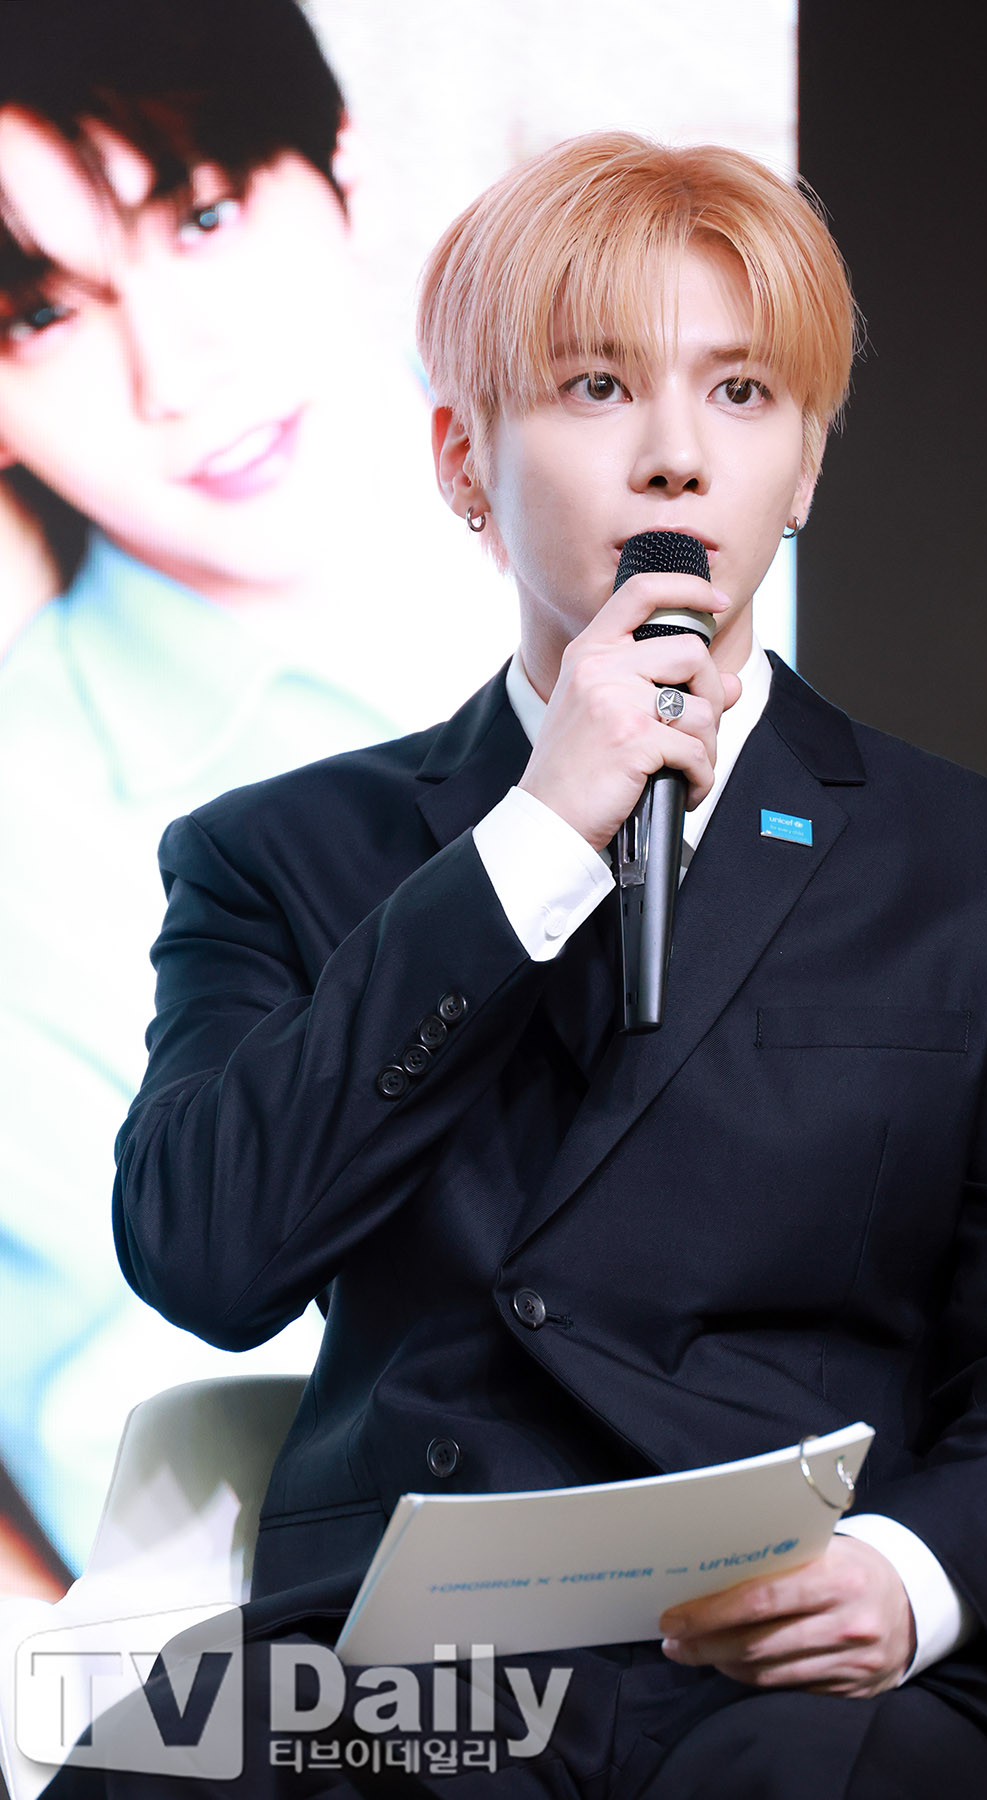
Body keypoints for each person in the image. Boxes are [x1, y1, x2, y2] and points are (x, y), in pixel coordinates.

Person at [73, 133, 987, 1797]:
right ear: (463, 459)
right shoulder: (276, 856)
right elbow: (206, 1257)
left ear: (805, 466)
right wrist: (531, 840)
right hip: (411, 1676)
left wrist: (909, 1577)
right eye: (597, 388)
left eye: (742, 394)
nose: (675, 459)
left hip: (804, 1663)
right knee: (160, 1765)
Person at [0, 0, 503, 1580]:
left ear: (340, 164)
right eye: (44, 313)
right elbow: (154, 1475)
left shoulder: (741, 539)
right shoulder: (28, 846)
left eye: (202, 216)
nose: (175, 373)